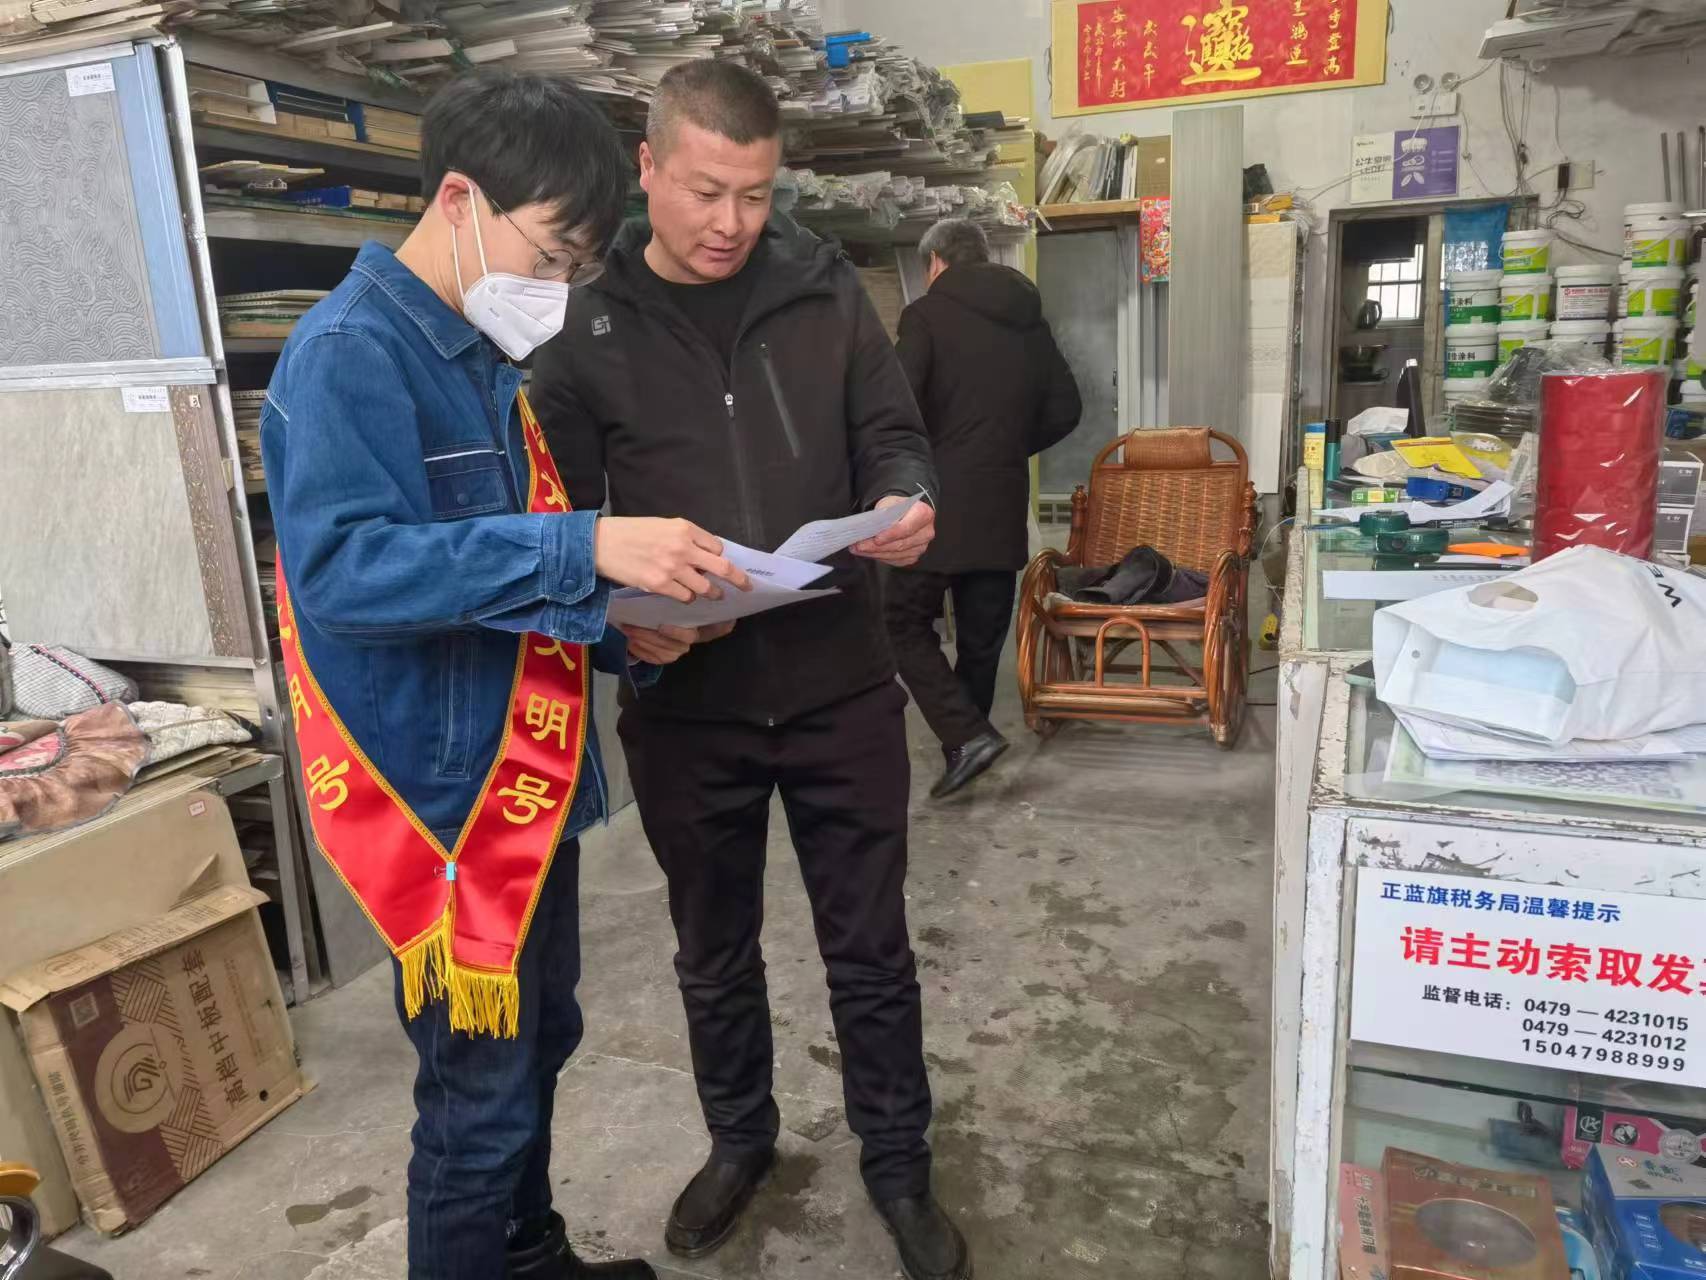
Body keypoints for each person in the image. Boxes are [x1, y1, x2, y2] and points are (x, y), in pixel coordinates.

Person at [260, 70, 749, 1280]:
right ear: (459, 201)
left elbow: (488, 568)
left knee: (539, 1042)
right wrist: (585, 546)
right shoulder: (351, 355)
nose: (558, 286)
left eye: (579, 264)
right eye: (551, 250)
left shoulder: (474, 356)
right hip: (447, 803)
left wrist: (615, 623)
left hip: (526, 782)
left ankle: (529, 1255)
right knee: (475, 1102)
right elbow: (346, 573)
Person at [532, 60, 973, 1280]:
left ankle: (898, 1161)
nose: (730, 222)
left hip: (838, 684)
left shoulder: (822, 290)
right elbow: (560, 524)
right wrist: (620, 628)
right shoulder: (584, 326)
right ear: (647, 168)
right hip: (688, 705)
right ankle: (740, 1138)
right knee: (710, 947)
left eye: (755, 193)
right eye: (705, 191)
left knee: (869, 948)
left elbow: (892, 434)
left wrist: (907, 497)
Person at [884, 217, 1083, 798]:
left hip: (937, 502)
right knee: (980, 636)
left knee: (899, 622)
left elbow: (899, 405)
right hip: (1001, 499)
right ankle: (965, 742)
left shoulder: (924, 315)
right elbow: (1066, 408)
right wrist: (1004, 447)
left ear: (935, 261)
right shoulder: (1028, 320)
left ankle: (966, 736)